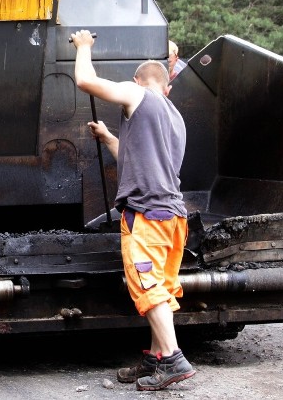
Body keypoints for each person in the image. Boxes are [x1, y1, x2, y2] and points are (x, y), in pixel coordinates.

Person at [71, 30, 196, 391]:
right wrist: (111, 138)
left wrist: (84, 48)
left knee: (146, 285)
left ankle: (173, 359)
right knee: (163, 289)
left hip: (148, 216)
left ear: (138, 81)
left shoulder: (137, 92)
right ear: (167, 87)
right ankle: (155, 359)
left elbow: (85, 81)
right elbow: (142, 162)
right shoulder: (176, 119)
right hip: (174, 217)